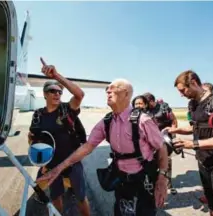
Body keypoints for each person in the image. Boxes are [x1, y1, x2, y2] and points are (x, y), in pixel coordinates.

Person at [36, 78, 169, 216]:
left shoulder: (143, 120)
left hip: (144, 179)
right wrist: (59, 168)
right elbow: (87, 147)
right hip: (122, 181)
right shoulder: (107, 121)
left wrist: (162, 179)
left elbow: (161, 147)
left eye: (114, 88)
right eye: (107, 89)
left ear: (126, 94)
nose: (108, 91)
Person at [166, 70, 213, 216]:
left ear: (193, 82)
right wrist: (177, 129)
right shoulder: (193, 104)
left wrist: (193, 144)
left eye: (183, 90)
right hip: (204, 161)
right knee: (212, 204)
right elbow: (197, 126)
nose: (181, 94)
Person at [28, 58, 90, 216]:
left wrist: (56, 76)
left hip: (72, 163)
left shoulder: (66, 109)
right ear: (44, 94)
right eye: (52, 91)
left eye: (59, 91)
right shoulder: (38, 114)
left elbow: (79, 94)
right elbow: (33, 137)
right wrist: (40, 161)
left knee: (81, 198)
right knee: (55, 198)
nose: (57, 94)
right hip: (52, 164)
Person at [143, 93, 178, 195]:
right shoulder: (145, 110)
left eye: (147, 102)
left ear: (151, 101)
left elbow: (174, 121)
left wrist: (172, 133)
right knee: (151, 160)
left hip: (165, 138)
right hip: (151, 140)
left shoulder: (164, 108)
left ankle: (168, 183)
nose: (145, 105)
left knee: (167, 160)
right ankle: (154, 182)